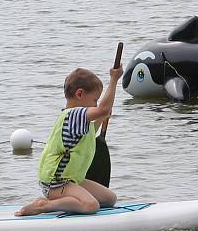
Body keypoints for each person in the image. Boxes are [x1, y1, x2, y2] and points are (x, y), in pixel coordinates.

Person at [16, 66, 123, 217]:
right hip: (56, 182)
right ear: (80, 94)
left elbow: (90, 132)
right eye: (95, 100)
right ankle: (45, 205)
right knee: (91, 205)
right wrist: (114, 79)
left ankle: (68, 201)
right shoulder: (75, 114)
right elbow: (103, 109)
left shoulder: (76, 117)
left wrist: (101, 117)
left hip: (71, 179)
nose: (95, 105)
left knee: (109, 199)